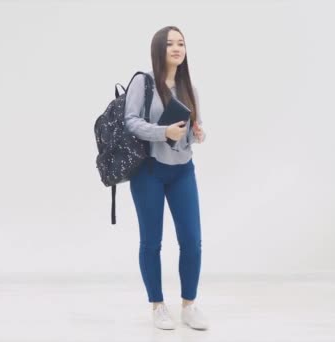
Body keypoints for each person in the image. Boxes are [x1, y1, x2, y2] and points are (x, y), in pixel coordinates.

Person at [124, 26, 209, 331]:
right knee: (151, 242)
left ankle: (189, 305)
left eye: (181, 43)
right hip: (149, 171)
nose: (176, 48)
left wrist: (197, 133)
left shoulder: (190, 89)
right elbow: (130, 121)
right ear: (159, 49)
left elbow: (193, 131)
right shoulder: (143, 82)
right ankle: (158, 305)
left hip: (182, 170)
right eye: (170, 43)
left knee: (192, 242)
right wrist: (163, 132)